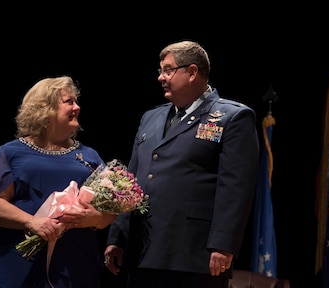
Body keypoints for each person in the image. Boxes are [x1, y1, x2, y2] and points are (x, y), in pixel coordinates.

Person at [103, 40, 260, 288]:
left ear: (192, 72)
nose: (160, 77)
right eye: (160, 71)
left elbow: (236, 188)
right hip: (144, 250)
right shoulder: (150, 117)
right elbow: (130, 181)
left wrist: (223, 243)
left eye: (168, 70)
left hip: (194, 254)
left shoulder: (233, 117)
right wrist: (119, 237)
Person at [0, 76, 116, 288]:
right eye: (69, 101)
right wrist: (32, 222)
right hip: (18, 270)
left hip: (76, 271)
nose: (78, 107)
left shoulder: (89, 156)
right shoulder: (11, 152)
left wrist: (94, 219)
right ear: (44, 108)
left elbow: (111, 210)